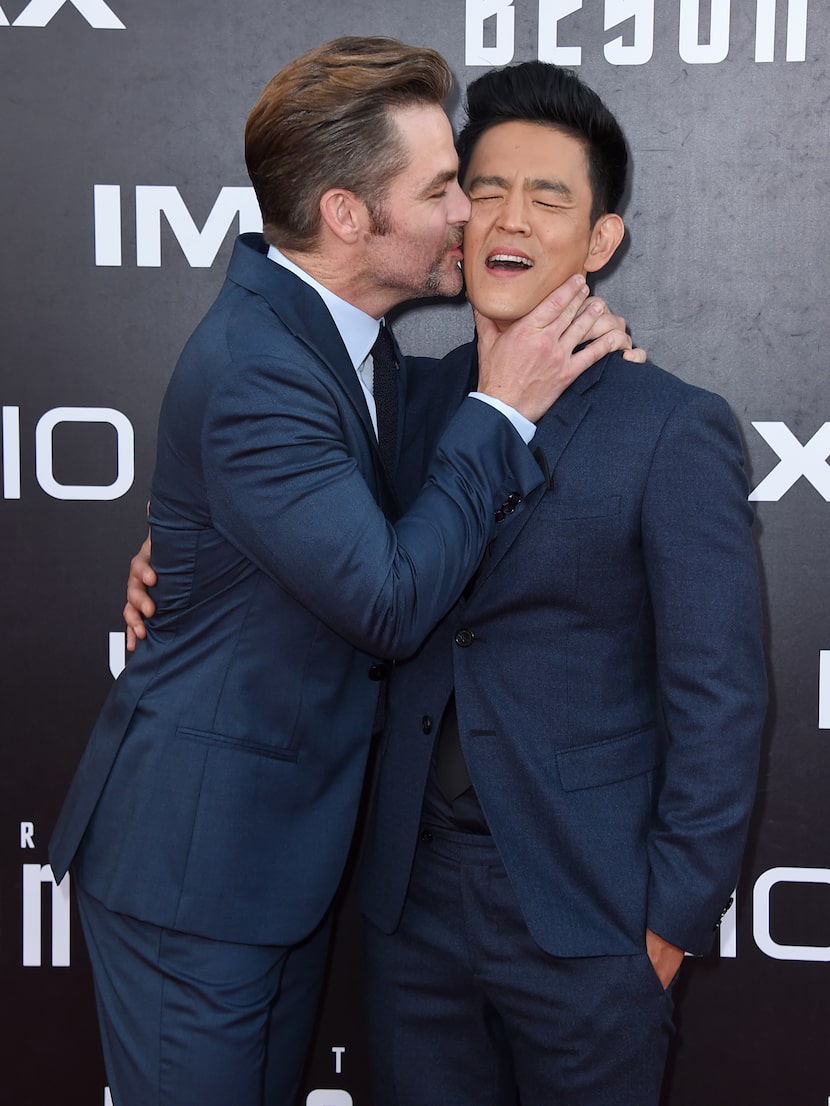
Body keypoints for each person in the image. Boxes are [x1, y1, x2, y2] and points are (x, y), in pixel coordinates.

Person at [49, 38, 640, 1106]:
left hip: (274, 865)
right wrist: (503, 404)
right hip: (199, 873)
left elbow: (312, 514)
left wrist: (566, 354)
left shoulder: (344, 344)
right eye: (443, 187)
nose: (471, 211)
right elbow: (386, 598)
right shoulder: (261, 368)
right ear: (347, 215)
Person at [358, 61, 767, 1105]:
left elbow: (717, 698)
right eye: (484, 187)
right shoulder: (403, 402)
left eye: (548, 197)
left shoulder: (669, 425)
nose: (508, 216)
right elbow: (312, 538)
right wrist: (162, 549)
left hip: (588, 913)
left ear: (599, 242)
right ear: (452, 217)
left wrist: (666, 927)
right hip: (412, 900)